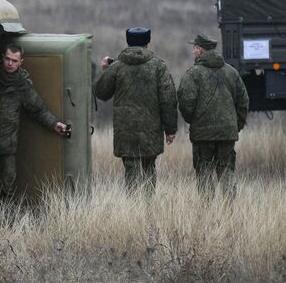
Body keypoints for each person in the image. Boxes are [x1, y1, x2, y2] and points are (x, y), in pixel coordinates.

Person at [94, 27, 178, 194]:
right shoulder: (158, 67)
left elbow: (101, 93)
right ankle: (148, 207)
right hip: (151, 130)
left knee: (131, 170)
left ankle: (133, 208)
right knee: (149, 168)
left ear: (128, 42)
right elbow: (168, 100)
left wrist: (105, 70)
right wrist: (170, 129)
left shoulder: (117, 66)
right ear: (147, 43)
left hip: (126, 131)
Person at [0, 43, 69, 207]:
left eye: (14, 61)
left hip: (7, 144)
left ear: (21, 61)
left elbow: (38, 110)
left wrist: (55, 124)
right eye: (7, 59)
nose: (10, 64)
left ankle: (4, 215)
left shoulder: (22, 85)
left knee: (8, 180)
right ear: (2, 57)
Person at [176, 34, 249, 199]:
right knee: (227, 170)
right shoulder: (231, 72)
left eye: (195, 48)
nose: (193, 51)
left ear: (200, 50)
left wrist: (193, 121)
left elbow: (185, 102)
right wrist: (235, 125)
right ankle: (228, 210)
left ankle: (207, 211)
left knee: (204, 171)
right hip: (227, 133)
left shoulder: (193, 74)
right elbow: (244, 101)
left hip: (203, 135)